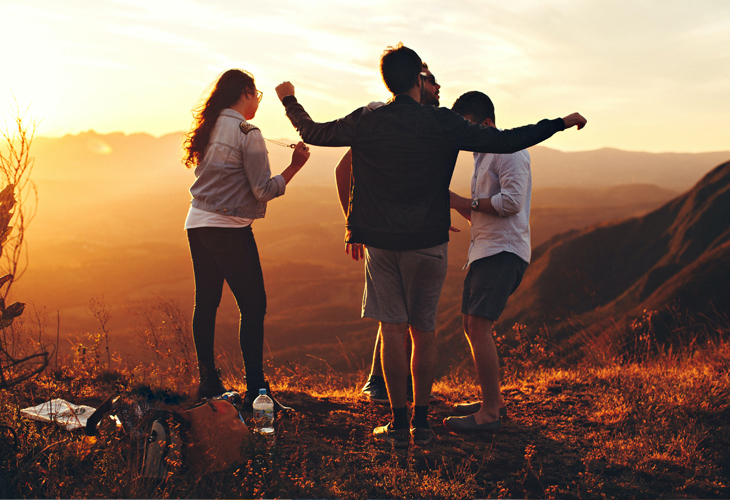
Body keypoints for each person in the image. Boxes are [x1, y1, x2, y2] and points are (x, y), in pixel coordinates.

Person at [274, 43, 586, 448]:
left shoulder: (367, 121)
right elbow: (508, 140)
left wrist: (289, 100)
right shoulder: (440, 122)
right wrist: (559, 122)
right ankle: (422, 423)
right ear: (419, 80)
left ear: (388, 80)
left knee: (392, 331)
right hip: (429, 241)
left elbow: (314, 132)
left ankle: (398, 426)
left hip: (383, 243)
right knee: (425, 333)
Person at [183, 69, 310, 412]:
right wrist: (295, 166)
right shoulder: (248, 133)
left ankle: (209, 383)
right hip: (229, 228)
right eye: (257, 96)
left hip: (197, 222)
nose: (257, 103)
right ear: (245, 93)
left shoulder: (210, 126)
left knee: (206, 303)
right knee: (253, 307)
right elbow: (263, 189)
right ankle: (257, 392)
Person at [334, 63, 441, 405]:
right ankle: (380, 384)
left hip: (412, 230)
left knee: (400, 313)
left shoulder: (423, 123)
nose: (439, 88)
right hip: (387, 233)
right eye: (432, 80)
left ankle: (390, 388)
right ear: (416, 82)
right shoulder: (382, 117)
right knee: (395, 315)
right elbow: (344, 167)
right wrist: (354, 223)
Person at [444, 91, 534, 432]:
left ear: (485, 123)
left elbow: (511, 203)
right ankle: (490, 400)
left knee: (479, 325)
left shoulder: (508, 150)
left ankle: (490, 414)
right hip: (485, 250)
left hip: (504, 251)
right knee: (471, 325)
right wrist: (455, 205)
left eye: (465, 126)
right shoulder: (483, 155)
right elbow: (485, 210)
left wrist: (464, 200)